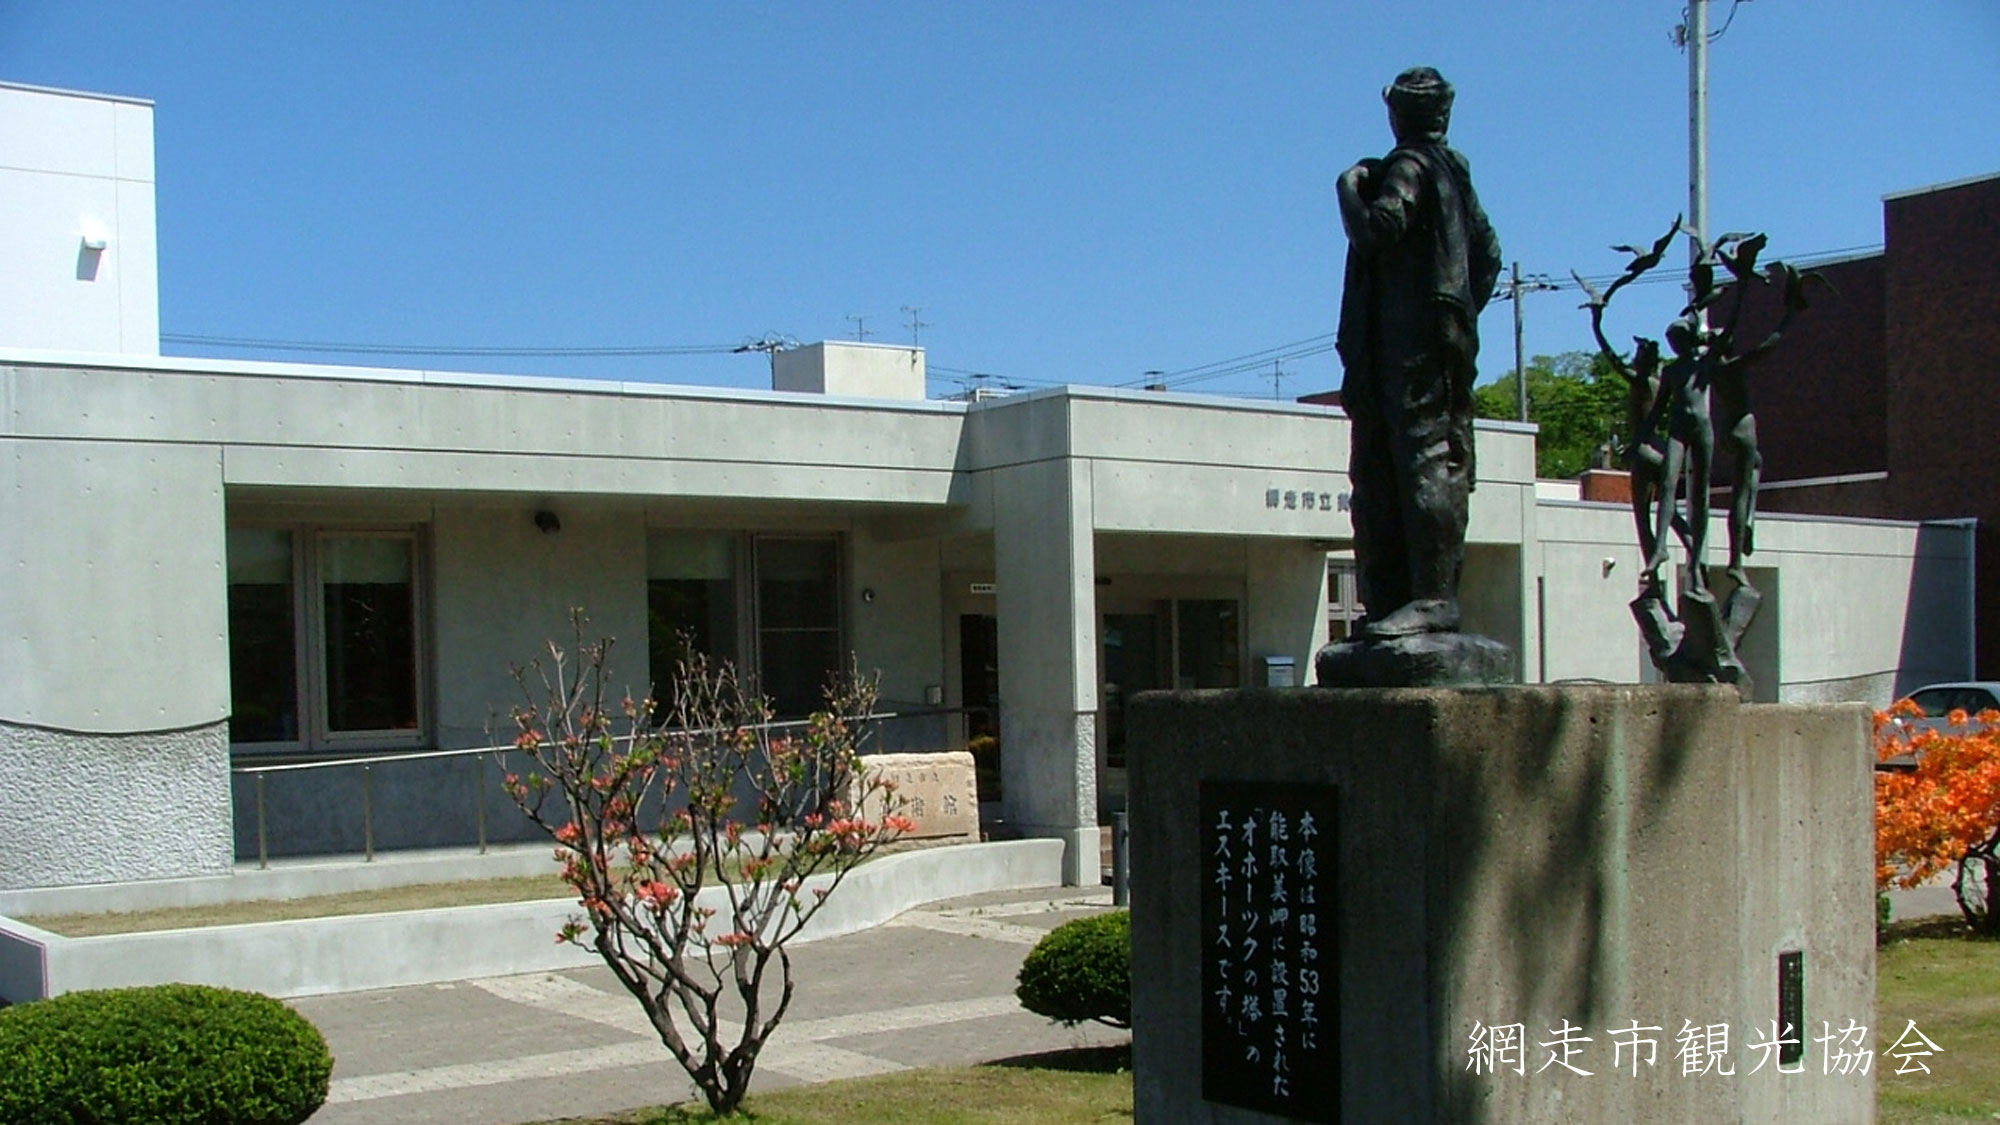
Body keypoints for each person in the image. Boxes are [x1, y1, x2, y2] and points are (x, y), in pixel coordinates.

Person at [1335, 67, 1503, 638]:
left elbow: (1377, 229)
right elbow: (1488, 256)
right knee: (1389, 468)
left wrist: (1346, 188)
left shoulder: (1410, 167)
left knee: (1414, 462)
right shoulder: (1455, 174)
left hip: (1410, 354)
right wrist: (1456, 319)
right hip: (1421, 349)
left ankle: (1431, 598)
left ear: (1397, 116)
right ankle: (1395, 599)